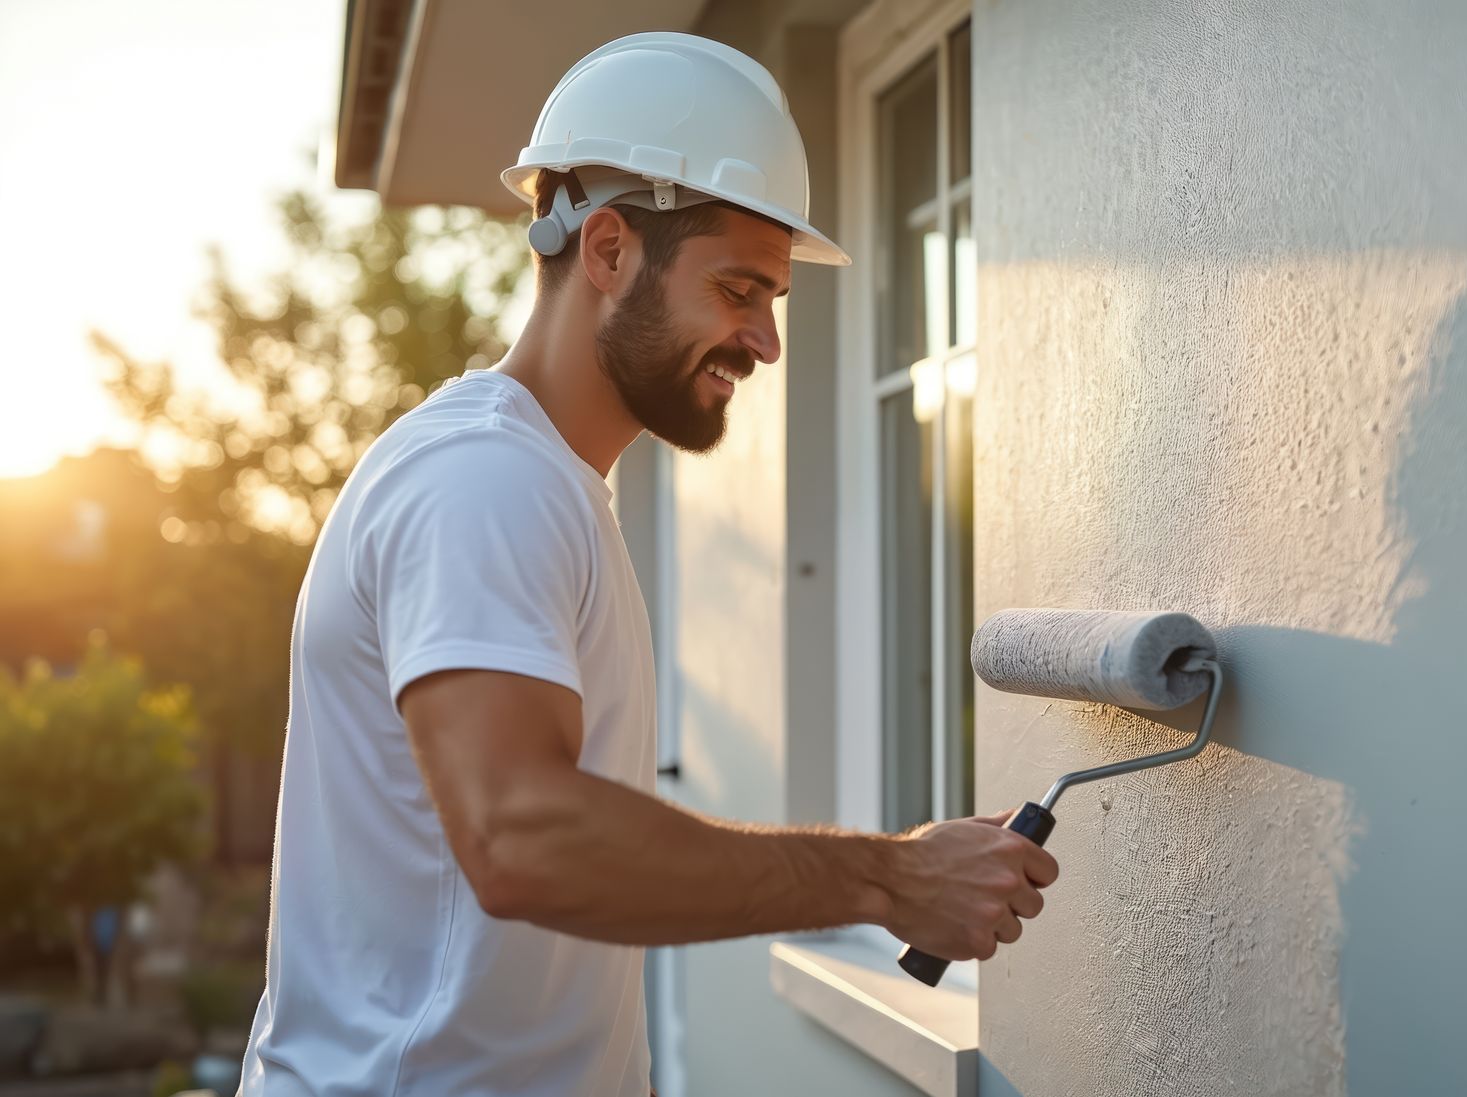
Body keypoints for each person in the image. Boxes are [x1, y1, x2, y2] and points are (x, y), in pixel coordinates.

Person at [237, 32, 1055, 1096]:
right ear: (611, 249)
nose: (764, 340)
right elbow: (523, 838)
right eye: (737, 289)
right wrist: (891, 877)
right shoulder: (485, 481)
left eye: (771, 300)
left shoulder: (549, 486)